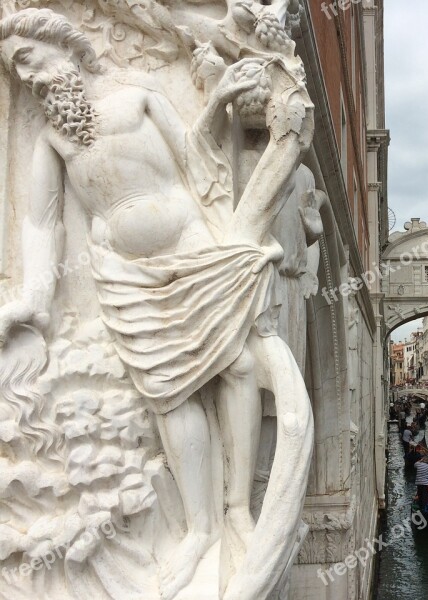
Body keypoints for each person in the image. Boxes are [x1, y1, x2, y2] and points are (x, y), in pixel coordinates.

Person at [0, 9, 314, 599]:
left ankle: (236, 509)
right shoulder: (51, 140)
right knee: (169, 395)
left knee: (239, 364)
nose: (30, 77)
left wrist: (219, 94)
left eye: (30, 59)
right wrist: (35, 298)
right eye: (17, 71)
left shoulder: (139, 96)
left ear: (63, 46)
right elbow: (42, 225)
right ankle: (198, 530)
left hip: (191, 250)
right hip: (122, 277)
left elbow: (198, 159)